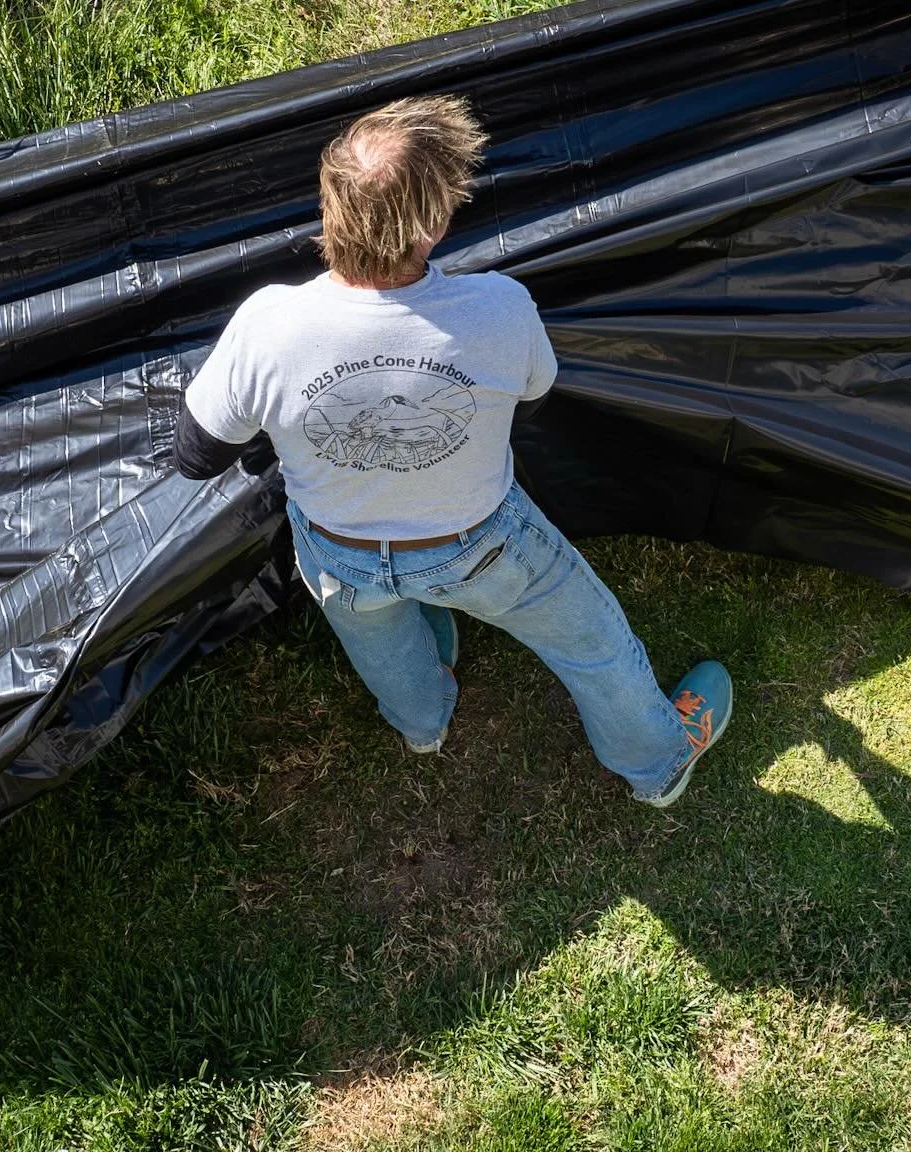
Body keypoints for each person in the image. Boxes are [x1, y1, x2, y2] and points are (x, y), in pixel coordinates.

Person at [172, 95, 731, 807]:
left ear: (327, 207)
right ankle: (658, 763)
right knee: (594, 645)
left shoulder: (267, 325)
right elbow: (533, 397)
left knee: (380, 641)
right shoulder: (499, 309)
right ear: (432, 227)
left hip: (340, 552)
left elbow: (197, 454)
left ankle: (424, 723)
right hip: (480, 547)